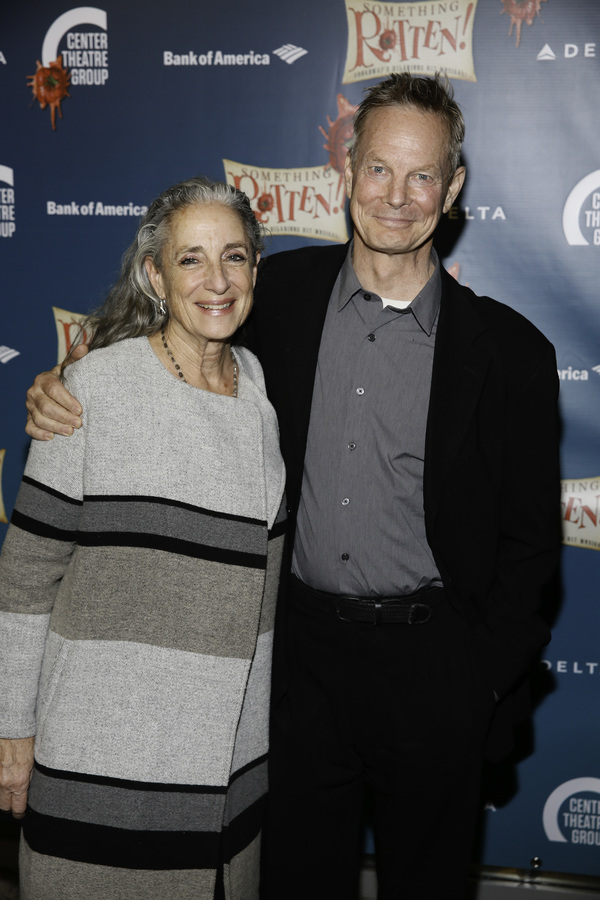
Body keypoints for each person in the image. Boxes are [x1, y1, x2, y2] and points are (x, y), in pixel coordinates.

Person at [23, 75, 560, 900]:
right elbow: (174, 321)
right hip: (296, 670)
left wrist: (476, 682)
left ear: (451, 191)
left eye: (422, 176)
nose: (397, 196)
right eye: (380, 169)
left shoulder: (515, 354)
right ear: (347, 172)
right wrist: (66, 383)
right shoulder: (277, 298)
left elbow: (531, 551)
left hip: (436, 671)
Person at [0, 176, 286, 900]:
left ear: (256, 264)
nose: (216, 281)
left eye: (234, 256)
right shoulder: (92, 391)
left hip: (228, 773)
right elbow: (27, 574)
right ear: (155, 274)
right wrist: (12, 727)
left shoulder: (259, 389)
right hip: (103, 762)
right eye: (191, 260)